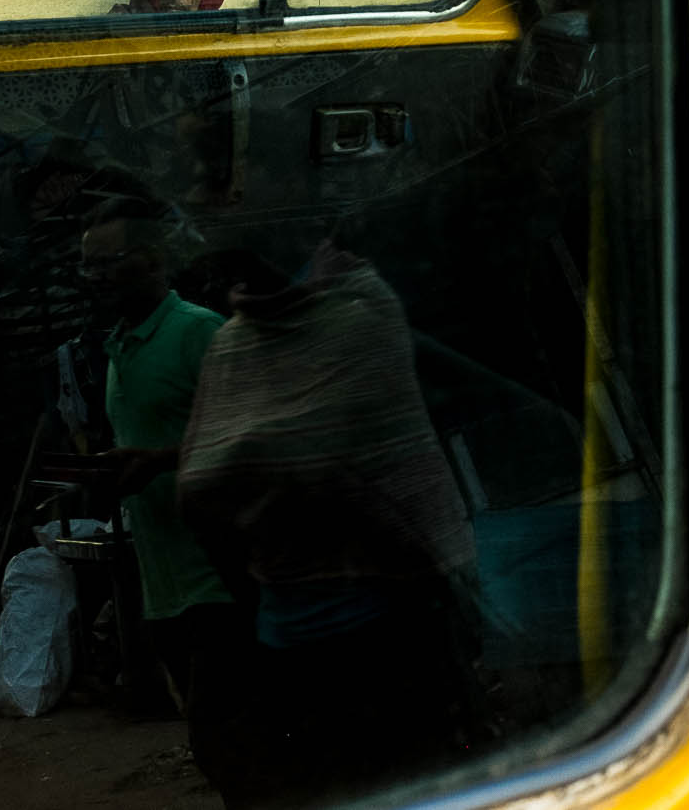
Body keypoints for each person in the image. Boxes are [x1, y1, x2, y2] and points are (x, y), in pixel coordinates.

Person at [175, 241, 480, 808]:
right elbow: (200, 487)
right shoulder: (230, 348)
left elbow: (372, 476)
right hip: (285, 638)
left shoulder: (359, 321)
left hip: (387, 635)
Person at [80, 197, 241, 726]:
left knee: (234, 739)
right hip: (162, 589)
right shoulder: (118, 348)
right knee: (213, 747)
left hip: (220, 579)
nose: (96, 276)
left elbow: (248, 437)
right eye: (89, 264)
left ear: (152, 258)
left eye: (109, 261)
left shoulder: (198, 332)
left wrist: (158, 461)